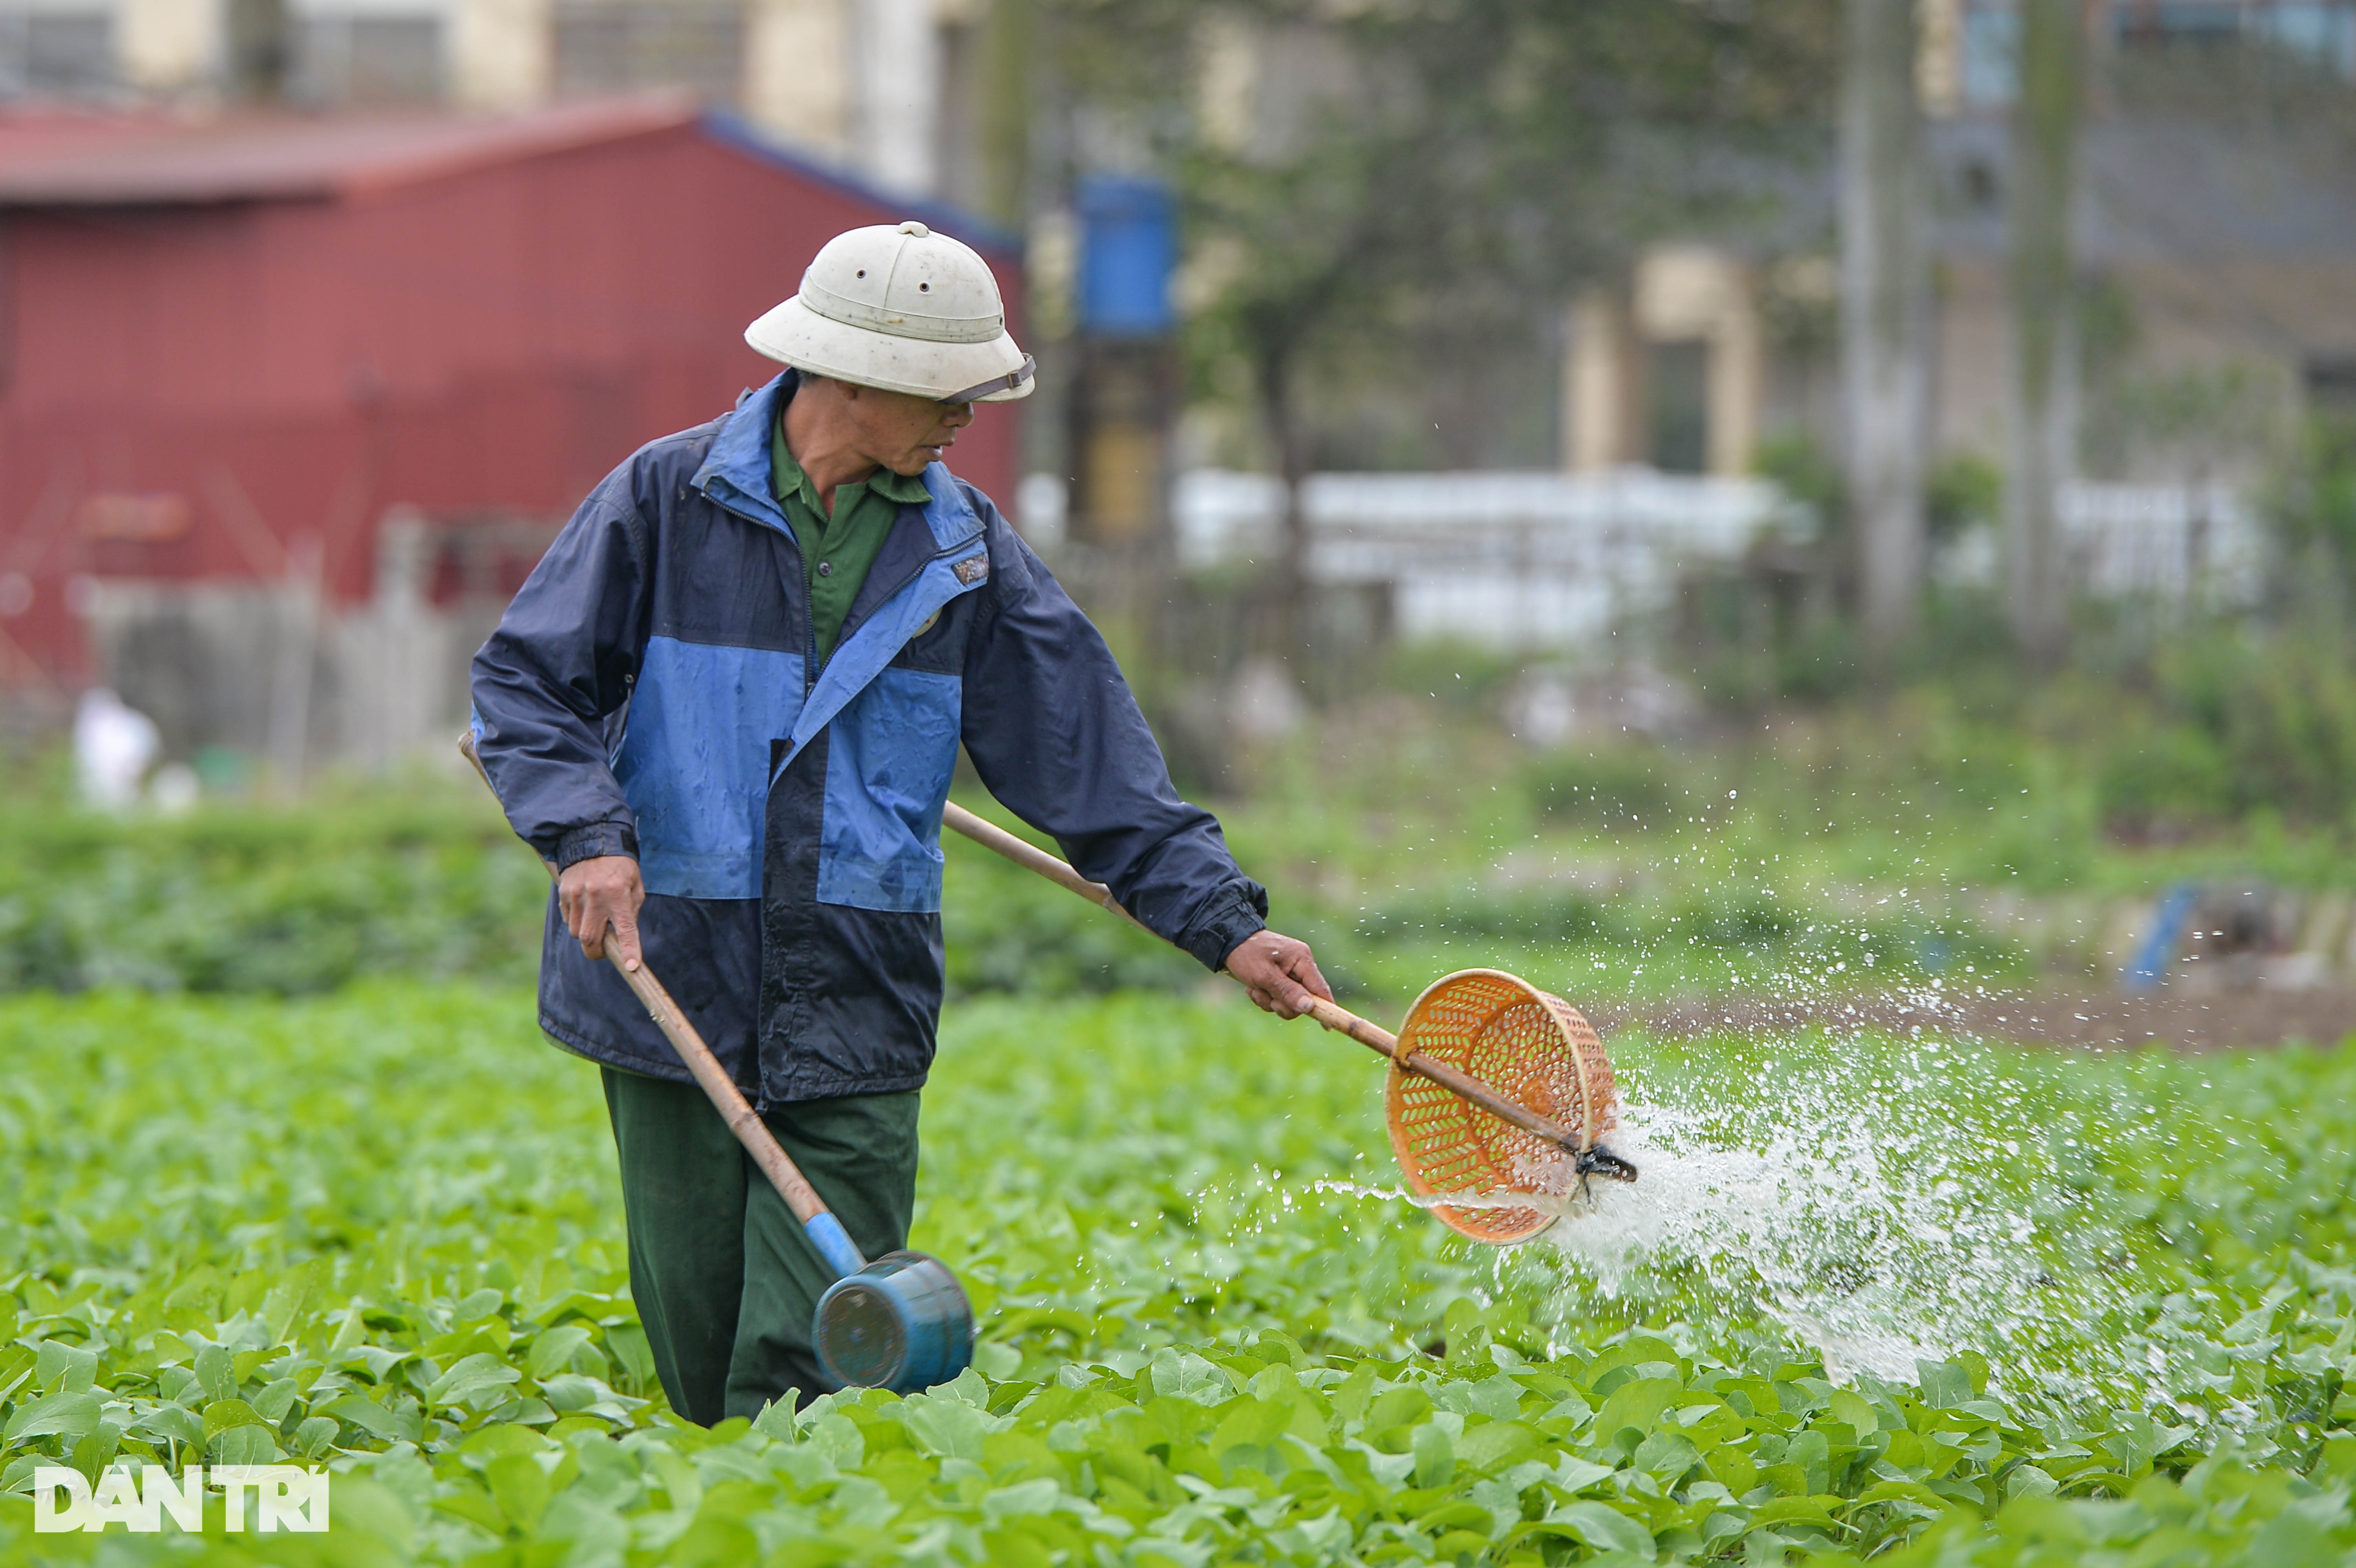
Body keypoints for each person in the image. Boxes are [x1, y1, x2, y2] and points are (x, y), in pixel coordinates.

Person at [468, 220, 1331, 1424]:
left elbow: (1091, 757)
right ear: (855, 375)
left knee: (809, 1364)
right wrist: (586, 834)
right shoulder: (666, 501)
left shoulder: (965, 547)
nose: (967, 416)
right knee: (699, 1347)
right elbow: (525, 684)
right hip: (671, 969)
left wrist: (1224, 925)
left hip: (857, 978)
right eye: (947, 389)